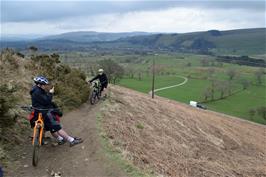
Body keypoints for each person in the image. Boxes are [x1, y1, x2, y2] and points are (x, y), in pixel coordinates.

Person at [29, 76, 83, 147]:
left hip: (37, 112)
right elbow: (47, 101)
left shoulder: (34, 90)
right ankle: (71, 140)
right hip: (44, 112)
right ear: (40, 84)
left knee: (50, 128)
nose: (45, 86)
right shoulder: (38, 92)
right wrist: (51, 93)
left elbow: (37, 102)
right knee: (57, 127)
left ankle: (60, 138)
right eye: (44, 85)